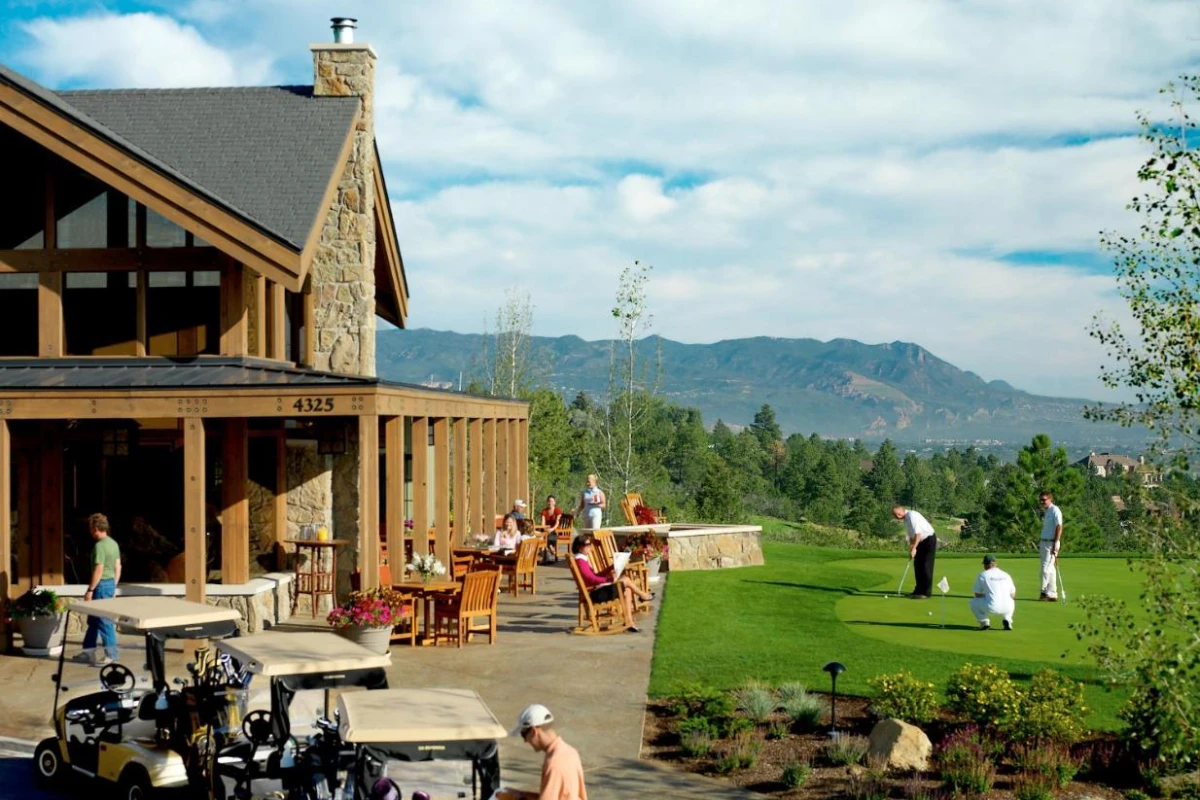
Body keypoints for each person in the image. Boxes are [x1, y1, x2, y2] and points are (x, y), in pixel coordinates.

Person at [571, 536, 652, 633]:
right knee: (625, 579)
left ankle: (630, 623)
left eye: (590, 544)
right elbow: (591, 579)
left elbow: (595, 576)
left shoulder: (581, 559)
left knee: (627, 590)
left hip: (596, 591)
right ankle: (643, 596)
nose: (590, 546)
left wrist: (611, 567)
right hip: (595, 595)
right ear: (579, 547)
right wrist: (609, 579)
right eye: (587, 545)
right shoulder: (580, 561)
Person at [508, 704, 588, 800]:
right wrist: (521, 794)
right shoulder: (571, 752)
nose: (525, 741)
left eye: (523, 735)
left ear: (533, 731)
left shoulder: (554, 764)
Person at [75, 513, 121, 665]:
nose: (90, 532)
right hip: (110, 584)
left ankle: (112, 655)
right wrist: (113, 586)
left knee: (104, 621)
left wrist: (90, 590)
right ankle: (88, 652)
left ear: (95, 529)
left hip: (100, 586)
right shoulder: (113, 544)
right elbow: (118, 566)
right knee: (94, 621)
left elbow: (99, 569)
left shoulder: (100, 546)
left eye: (90, 528)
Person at [892, 505, 936, 599]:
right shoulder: (906, 520)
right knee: (917, 565)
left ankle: (926, 593)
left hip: (928, 539)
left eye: (898, 514)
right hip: (920, 541)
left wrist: (914, 548)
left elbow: (918, 533)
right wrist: (911, 547)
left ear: (902, 511)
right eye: (895, 515)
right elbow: (912, 535)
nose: (897, 517)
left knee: (926, 565)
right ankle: (918, 590)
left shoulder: (912, 515)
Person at [970, 554, 1017, 630]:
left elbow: (977, 594)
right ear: (996, 563)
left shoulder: (983, 575)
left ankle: (984, 622)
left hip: (991, 607)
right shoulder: (1006, 574)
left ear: (985, 565)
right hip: (1008, 608)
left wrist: (988, 596)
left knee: (973, 602)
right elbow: (1013, 595)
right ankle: (1008, 619)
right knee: (1011, 600)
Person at [1038, 491, 1063, 601]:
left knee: (1046, 569)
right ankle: (1052, 594)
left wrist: (1055, 542)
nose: (1042, 502)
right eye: (1041, 500)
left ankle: (1044, 592)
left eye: (1044, 499)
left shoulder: (1055, 510)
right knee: (1051, 570)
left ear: (1050, 499)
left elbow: (1059, 526)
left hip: (1051, 543)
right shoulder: (1047, 511)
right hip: (1044, 542)